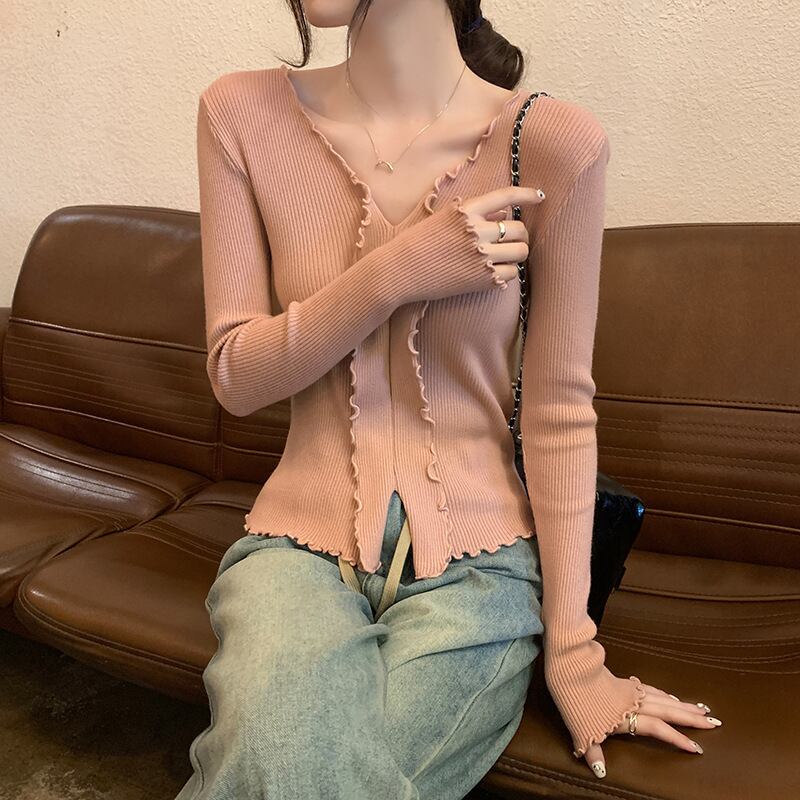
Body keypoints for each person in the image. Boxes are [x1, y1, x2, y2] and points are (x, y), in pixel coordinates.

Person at [177, 2, 721, 797]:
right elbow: (235, 377)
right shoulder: (239, 113)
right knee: (287, 760)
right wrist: (398, 271)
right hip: (295, 548)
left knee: (283, 773)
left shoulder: (554, 143)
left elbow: (559, 411)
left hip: (482, 571)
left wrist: (574, 656)